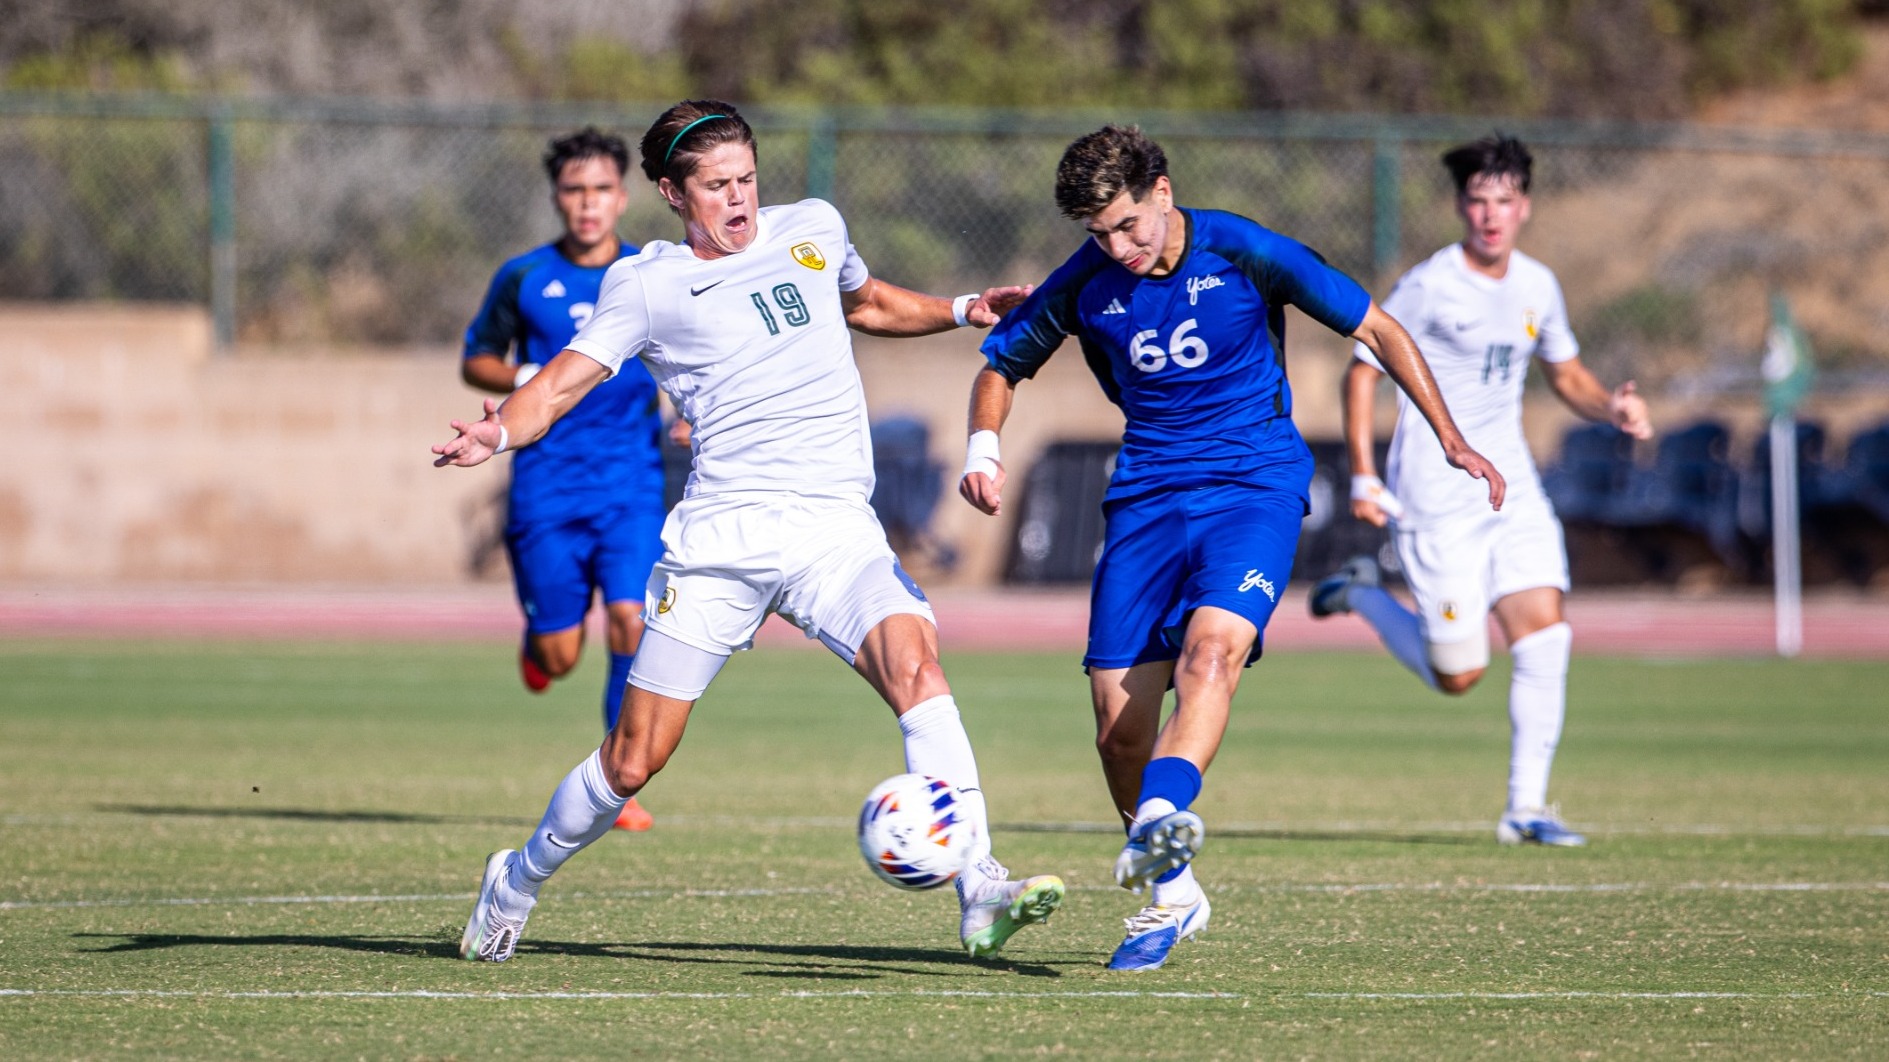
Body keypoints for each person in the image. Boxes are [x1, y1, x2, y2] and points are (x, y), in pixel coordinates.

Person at [435, 99, 1064, 964]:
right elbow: (560, 385)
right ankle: (517, 877)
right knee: (631, 760)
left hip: (834, 531)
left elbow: (868, 302)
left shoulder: (813, 227)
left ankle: (980, 885)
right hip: (720, 546)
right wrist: (499, 429)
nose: (738, 200)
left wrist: (963, 308)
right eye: (716, 186)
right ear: (669, 192)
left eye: (747, 180)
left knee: (917, 667)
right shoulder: (646, 284)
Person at [960, 126, 1504, 971]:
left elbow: (1381, 330)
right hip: (1143, 498)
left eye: (1129, 225)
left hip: (1254, 486)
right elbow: (1001, 365)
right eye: (1098, 233)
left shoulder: (1243, 250)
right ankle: (1172, 893)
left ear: (1163, 193)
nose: (1118, 247)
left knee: (1209, 658)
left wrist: (1450, 439)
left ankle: (1156, 828)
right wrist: (982, 450)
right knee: (1116, 728)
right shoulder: (1086, 281)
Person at [1308, 134, 1653, 849]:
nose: (1490, 214)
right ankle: (1362, 593)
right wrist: (1366, 476)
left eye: (1503, 200)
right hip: (1435, 493)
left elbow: (1566, 375)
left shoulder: (1537, 285)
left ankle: (1525, 808)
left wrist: (1610, 408)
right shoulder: (1429, 285)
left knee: (1545, 635)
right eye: (1476, 200)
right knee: (1458, 675)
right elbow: (1361, 372)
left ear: (1523, 207)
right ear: (1460, 207)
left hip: (1513, 486)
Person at [462, 126, 664, 831]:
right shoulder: (523, 277)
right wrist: (532, 379)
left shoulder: (653, 271)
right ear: (557, 196)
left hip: (632, 484)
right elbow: (477, 360)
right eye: (575, 190)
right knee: (561, 650)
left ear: (622, 195)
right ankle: (539, 647)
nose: (588, 204)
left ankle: (618, 780)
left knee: (632, 618)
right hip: (546, 484)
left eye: (601, 189)